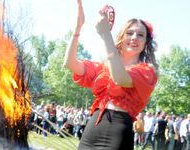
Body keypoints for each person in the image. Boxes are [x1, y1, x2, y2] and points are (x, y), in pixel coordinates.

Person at [63, 0, 158, 149]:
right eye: (129, 33)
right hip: (93, 128)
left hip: (118, 132)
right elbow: (69, 63)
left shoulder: (148, 71)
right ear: (122, 36)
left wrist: (106, 34)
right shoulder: (104, 67)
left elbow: (120, 78)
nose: (134, 37)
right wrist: (78, 28)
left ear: (146, 43)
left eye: (140, 35)